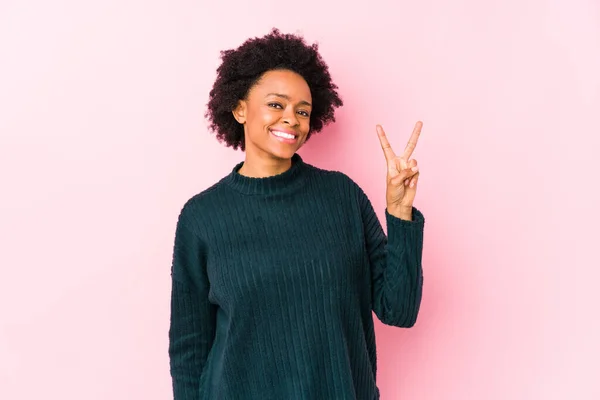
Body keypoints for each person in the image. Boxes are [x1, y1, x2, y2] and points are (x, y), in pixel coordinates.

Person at [168, 28, 425, 400]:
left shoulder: (342, 197)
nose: (292, 118)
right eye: (276, 104)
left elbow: (398, 309)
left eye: (302, 111)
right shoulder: (201, 217)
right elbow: (189, 347)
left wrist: (399, 214)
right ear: (240, 108)